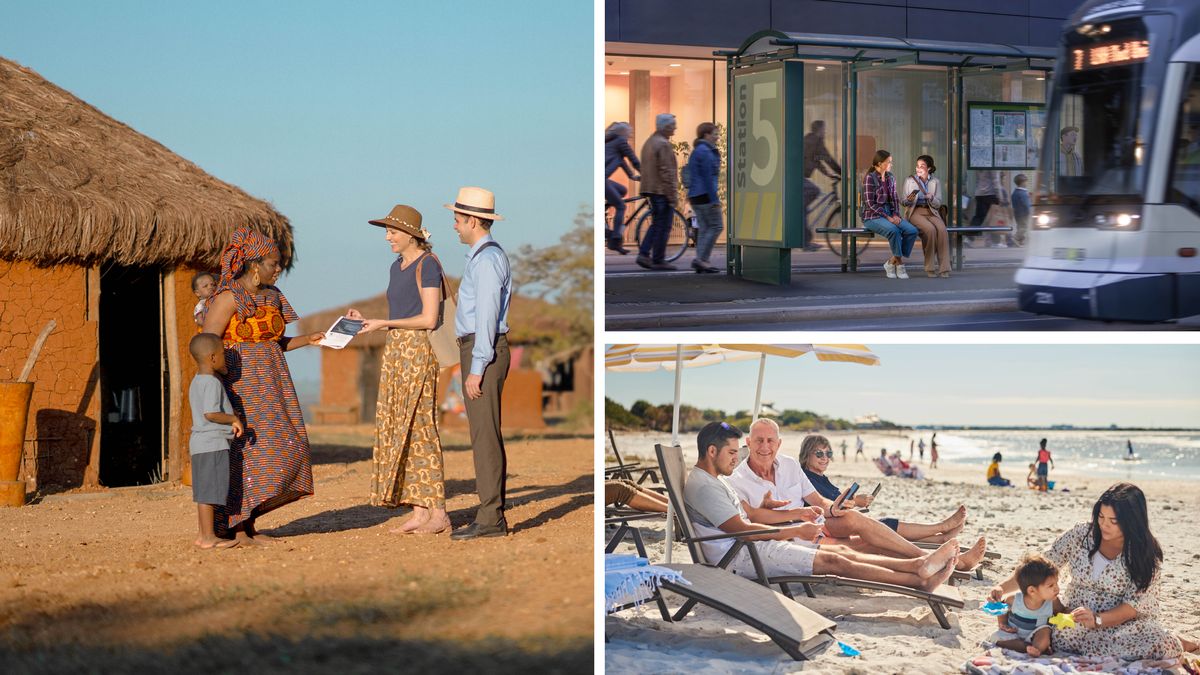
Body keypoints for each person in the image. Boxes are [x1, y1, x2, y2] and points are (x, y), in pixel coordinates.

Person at [685, 421, 959, 592]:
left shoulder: (713, 481)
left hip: (753, 545)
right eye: (732, 453)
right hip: (742, 556)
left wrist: (789, 512)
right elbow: (743, 530)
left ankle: (917, 564)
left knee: (842, 550)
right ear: (712, 451)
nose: (736, 459)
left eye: (736, 453)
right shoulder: (707, 487)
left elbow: (750, 515)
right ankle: (917, 578)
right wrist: (796, 529)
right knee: (835, 560)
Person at [201, 227, 322, 545]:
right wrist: (214, 386)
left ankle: (251, 523)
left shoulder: (273, 296)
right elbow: (206, 343)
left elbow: (276, 342)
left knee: (285, 447)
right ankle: (239, 528)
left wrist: (309, 339)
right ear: (254, 265)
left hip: (274, 385)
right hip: (240, 385)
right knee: (245, 453)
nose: (279, 268)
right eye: (273, 263)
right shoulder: (228, 297)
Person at [728, 421, 985, 570]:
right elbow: (750, 523)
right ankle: (943, 558)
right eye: (759, 441)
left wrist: (834, 507)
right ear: (748, 443)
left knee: (858, 522)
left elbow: (818, 501)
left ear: (779, 443)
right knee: (868, 542)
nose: (765, 447)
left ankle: (936, 555)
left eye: (770, 441)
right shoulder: (737, 481)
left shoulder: (789, 465)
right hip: (794, 536)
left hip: (819, 523)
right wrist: (791, 519)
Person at [989, 483, 1198, 659]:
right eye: (1101, 517)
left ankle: (1181, 642)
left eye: (1113, 521)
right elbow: (1038, 567)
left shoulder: (1144, 555)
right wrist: (1002, 588)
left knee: (1160, 642)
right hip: (1074, 619)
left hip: (1123, 624)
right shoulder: (1081, 534)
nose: (1104, 525)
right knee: (1061, 637)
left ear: (1132, 521)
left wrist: (1097, 619)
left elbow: (1131, 608)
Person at [346, 204, 449, 535]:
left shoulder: (428, 264)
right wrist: (368, 321)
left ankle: (439, 513)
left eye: (392, 232)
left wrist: (384, 323)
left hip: (418, 350)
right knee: (400, 426)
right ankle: (419, 510)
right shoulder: (397, 266)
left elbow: (429, 318)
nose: (388, 237)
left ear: (409, 234)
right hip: (396, 350)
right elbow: (404, 312)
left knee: (421, 427)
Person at [446, 186, 513, 541]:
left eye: (458, 219)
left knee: (484, 436)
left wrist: (477, 367)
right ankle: (491, 513)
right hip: (477, 347)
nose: (455, 225)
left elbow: (486, 316)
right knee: (485, 434)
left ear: (472, 221)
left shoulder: (486, 260)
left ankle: (490, 518)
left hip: (482, 349)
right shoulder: (482, 257)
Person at [799, 433, 974, 547]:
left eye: (828, 454)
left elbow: (838, 504)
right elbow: (828, 506)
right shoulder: (806, 478)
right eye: (819, 454)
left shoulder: (821, 477)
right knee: (884, 525)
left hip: (843, 522)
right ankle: (941, 528)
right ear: (807, 454)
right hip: (830, 528)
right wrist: (856, 501)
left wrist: (857, 501)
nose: (825, 458)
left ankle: (940, 538)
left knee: (883, 526)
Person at [187, 333, 243, 550]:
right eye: (222, 355)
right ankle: (208, 537)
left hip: (200, 443)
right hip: (213, 443)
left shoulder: (197, 381)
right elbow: (211, 414)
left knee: (204, 493)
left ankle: (203, 535)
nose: (225, 359)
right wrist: (233, 419)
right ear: (212, 358)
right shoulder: (212, 382)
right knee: (210, 492)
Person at [861, 150, 919, 279]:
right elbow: (870, 204)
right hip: (873, 216)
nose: (891, 164)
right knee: (894, 231)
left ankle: (891, 262)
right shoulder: (870, 178)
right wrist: (888, 217)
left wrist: (896, 214)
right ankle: (900, 264)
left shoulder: (890, 177)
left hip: (890, 214)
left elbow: (894, 199)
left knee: (912, 231)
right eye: (889, 162)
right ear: (880, 163)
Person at [995, 555, 1065, 657]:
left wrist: (1071, 614)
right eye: (1051, 585)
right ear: (1032, 590)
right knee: (998, 638)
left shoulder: (1053, 602)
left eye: (1056, 583)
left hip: (1035, 634)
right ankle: (1026, 647)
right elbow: (1001, 607)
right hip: (1014, 633)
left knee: (1045, 631)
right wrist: (1003, 624)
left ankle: (1037, 648)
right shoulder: (1014, 599)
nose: (1057, 588)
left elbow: (1062, 611)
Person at [637, 113, 680, 271]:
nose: (675, 128)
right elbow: (667, 172)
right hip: (661, 190)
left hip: (651, 188)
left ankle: (645, 254)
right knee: (663, 226)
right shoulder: (663, 144)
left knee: (657, 224)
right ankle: (657, 259)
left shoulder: (650, 142)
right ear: (666, 127)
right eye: (673, 125)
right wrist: (673, 195)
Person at [902, 155, 951, 277]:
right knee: (930, 230)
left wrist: (932, 198)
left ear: (929, 168)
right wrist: (909, 200)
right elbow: (903, 201)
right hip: (915, 212)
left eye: (922, 166)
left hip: (931, 211)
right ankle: (930, 267)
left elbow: (938, 203)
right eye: (917, 166)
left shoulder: (935, 181)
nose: (918, 168)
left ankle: (944, 268)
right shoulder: (910, 180)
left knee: (942, 230)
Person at [685, 122, 722, 274]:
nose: (717, 137)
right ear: (706, 135)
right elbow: (708, 177)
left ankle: (700, 260)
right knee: (716, 226)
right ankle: (702, 260)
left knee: (705, 228)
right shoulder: (706, 152)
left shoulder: (697, 150)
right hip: (706, 195)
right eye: (715, 134)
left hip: (695, 195)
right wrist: (714, 199)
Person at [802, 120, 841, 251]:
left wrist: (829, 175)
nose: (825, 132)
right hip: (797, 177)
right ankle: (805, 242)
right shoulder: (816, 141)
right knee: (814, 191)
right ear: (819, 130)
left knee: (804, 206)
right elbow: (827, 158)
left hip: (796, 177)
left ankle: (805, 238)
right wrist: (841, 172)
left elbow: (817, 162)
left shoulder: (809, 140)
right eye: (824, 129)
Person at [604, 122, 640, 254]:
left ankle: (605, 211)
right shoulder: (620, 141)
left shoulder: (613, 143)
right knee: (621, 206)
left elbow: (622, 162)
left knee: (622, 190)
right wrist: (647, 175)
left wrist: (633, 176)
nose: (630, 134)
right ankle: (615, 238)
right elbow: (634, 161)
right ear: (623, 132)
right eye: (629, 132)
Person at [969, 170, 1008, 247]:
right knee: (994, 218)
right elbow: (996, 181)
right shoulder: (992, 166)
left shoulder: (978, 166)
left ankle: (969, 237)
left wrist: (977, 193)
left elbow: (977, 181)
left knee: (979, 217)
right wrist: (1000, 197)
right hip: (991, 194)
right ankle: (995, 242)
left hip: (980, 194)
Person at [1011, 174, 1031, 247]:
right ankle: (1015, 238)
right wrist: (1029, 212)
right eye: (1026, 182)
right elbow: (1026, 204)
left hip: (1017, 213)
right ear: (1022, 182)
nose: (1027, 183)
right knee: (1024, 227)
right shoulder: (1023, 193)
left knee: (1020, 226)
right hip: (1024, 213)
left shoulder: (1014, 192)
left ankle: (1020, 242)